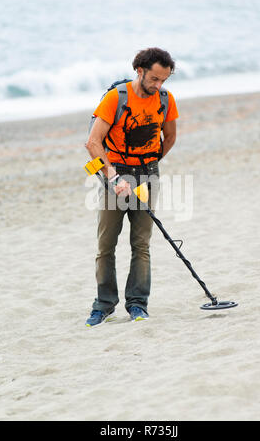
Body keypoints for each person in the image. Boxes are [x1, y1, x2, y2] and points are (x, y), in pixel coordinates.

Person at [85, 47, 179, 326]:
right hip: (114, 176)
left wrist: (147, 166)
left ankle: (138, 305)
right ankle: (103, 305)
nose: (159, 85)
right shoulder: (117, 98)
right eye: (154, 79)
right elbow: (92, 143)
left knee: (141, 245)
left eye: (164, 80)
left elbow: (170, 138)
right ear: (139, 71)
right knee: (106, 245)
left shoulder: (166, 99)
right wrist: (115, 177)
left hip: (148, 176)